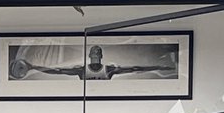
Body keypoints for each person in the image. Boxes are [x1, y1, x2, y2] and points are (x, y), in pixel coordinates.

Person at [9, 44, 177, 81]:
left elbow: (134, 68)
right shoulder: (82, 70)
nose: (95, 55)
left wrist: (158, 67)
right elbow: (57, 71)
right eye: (93, 53)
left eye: (97, 53)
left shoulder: (108, 70)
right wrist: (33, 67)